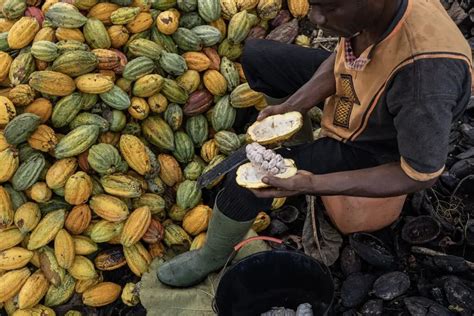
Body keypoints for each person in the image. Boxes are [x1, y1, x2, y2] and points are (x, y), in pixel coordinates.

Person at [158, 0, 472, 287]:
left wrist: (312, 183)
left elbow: (419, 173)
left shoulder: (423, 80)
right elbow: (342, 63)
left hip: (375, 141)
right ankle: (295, 141)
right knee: (258, 57)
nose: (315, 18)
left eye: (329, 9)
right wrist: (292, 107)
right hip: (361, 92)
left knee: (244, 181)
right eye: (313, 4)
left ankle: (211, 256)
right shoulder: (370, 16)